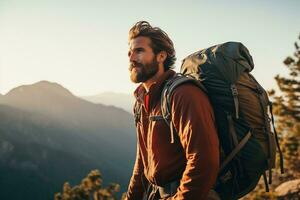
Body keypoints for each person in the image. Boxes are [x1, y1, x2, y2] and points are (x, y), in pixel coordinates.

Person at [126, 21, 220, 200]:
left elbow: (203, 160)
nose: (131, 58)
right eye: (130, 52)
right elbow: (142, 162)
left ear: (161, 56)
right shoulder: (141, 101)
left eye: (139, 51)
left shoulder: (183, 94)